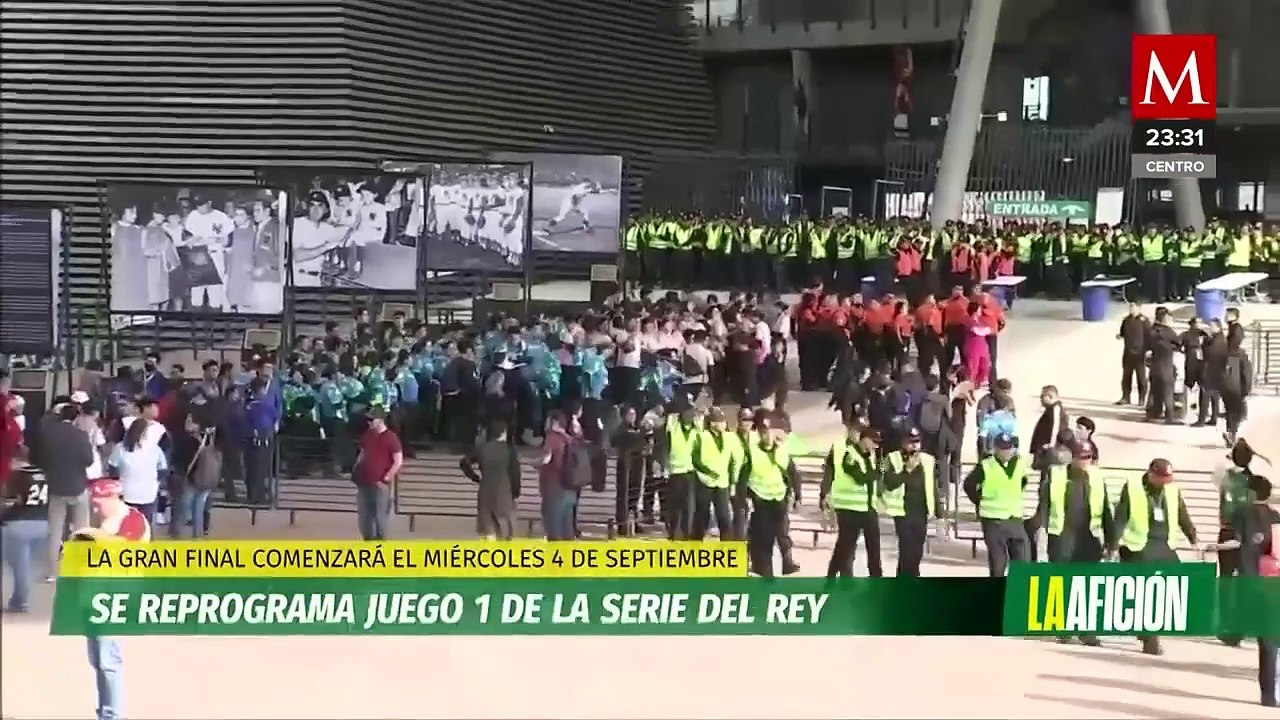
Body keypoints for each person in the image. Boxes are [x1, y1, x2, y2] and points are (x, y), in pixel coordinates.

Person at [72, 478, 150, 720]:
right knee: (97, 659)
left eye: (99, 504)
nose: (95, 509)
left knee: (108, 660)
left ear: (113, 498)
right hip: (93, 594)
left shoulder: (133, 519)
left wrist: (91, 536)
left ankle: (112, 715)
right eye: (93, 504)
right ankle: (105, 712)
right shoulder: (102, 522)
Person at [1110, 458, 1200, 655]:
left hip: (1164, 545)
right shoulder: (1133, 488)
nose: (1166, 482)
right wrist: (1113, 544)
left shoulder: (1172, 491)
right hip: (1139, 546)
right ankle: (1150, 638)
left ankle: (1145, 627)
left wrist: (1192, 536)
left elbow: (1182, 514)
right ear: (1151, 474)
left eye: (1168, 479)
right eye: (1162, 478)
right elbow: (1121, 516)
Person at [1036, 442, 1114, 646]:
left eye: (1088, 457)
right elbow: (1044, 504)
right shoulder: (1057, 475)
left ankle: (1087, 631)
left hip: (1089, 539)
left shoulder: (1097, 478)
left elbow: (1106, 510)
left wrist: (1112, 541)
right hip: (1063, 538)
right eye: (1081, 456)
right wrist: (1040, 530)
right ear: (1073, 456)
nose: (1085, 461)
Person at [1232, 473, 1278, 707]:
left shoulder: (1241, 514)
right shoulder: (1276, 518)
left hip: (1254, 582)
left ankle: (1268, 694)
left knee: (1267, 642)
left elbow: (1236, 542)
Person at [736, 414, 800, 577]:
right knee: (764, 537)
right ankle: (766, 572)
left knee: (782, 533)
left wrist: (797, 494)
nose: (767, 435)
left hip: (779, 499)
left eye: (769, 431)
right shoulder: (752, 452)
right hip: (761, 500)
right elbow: (743, 477)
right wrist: (741, 500)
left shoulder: (781, 450)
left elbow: (793, 473)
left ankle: (786, 563)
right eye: (763, 432)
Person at [39, 401, 96, 580]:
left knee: (55, 532)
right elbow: (89, 460)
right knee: (82, 530)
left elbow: (41, 459)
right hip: (78, 487)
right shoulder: (81, 435)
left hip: (56, 488)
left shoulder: (49, 435)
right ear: (75, 418)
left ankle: (53, 573)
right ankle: (80, 570)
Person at [962, 433, 1031, 577]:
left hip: (1014, 518)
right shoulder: (986, 465)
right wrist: (980, 501)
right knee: (998, 563)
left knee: (1022, 560)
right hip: (993, 521)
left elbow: (1023, 481)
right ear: (995, 449)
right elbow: (969, 485)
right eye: (1002, 449)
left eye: (1009, 449)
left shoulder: (1020, 463)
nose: (1006, 452)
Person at [821, 425, 883, 578]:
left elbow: (877, 476)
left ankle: (877, 580)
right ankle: (831, 578)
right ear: (864, 439)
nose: (876, 446)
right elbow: (860, 478)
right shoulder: (849, 455)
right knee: (844, 548)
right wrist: (875, 473)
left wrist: (875, 473)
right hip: (849, 510)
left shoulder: (872, 455)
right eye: (874, 442)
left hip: (868, 508)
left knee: (874, 548)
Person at [882, 427, 935, 577]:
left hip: (921, 512)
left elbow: (931, 486)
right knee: (906, 549)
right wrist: (906, 470)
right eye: (910, 442)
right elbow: (889, 483)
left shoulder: (927, 460)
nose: (914, 446)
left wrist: (939, 511)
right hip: (902, 511)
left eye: (917, 442)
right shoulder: (893, 458)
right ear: (903, 443)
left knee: (917, 551)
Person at [1, 461, 49, 612]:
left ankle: (20, 600)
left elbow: (12, 500)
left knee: (19, 566)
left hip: (18, 524)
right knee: (29, 565)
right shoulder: (46, 474)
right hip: (43, 523)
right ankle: (21, 599)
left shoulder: (16, 475)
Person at [460, 423, 521, 540]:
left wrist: (474, 477)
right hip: (503, 493)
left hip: (485, 492)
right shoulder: (509, 450)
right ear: (503, 433)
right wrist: (515, 492)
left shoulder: (482, 448)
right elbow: (515, 473)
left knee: (488, 530)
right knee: (504, 529)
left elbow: (464, 462)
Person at [352, 406, 401, 541]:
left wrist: (386, 478)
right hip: (364, 481)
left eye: (371, 419)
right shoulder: (367, 435)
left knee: (380, 516)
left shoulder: (391, 437)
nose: (369, 422)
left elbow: (398, 461)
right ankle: (369, 540)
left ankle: (380, 541)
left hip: (380, 483)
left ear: (380, 420)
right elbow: (362, 454)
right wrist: (355, 471)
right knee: (364, 516)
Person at [107, 417, 168, 524]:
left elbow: (113, 469)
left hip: (126, 493)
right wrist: (155, 481)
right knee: (146, 525)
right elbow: (163, 469)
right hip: (148, 493)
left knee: (126, 524)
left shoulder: (120, 448)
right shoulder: (155, 449)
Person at [689, 407, 736, 540]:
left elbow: (732, 460)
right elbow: (695, 459)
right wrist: (707, 472)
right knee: (702, 515)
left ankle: (728, 545)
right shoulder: (702, 437)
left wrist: (732, 481)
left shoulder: (729, 438)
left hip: (722, 482)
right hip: (704, 481)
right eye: (718, 421)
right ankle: (696, 543)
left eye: (723, 421)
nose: (721, 424)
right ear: (711, 423)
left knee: (724, 516)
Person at [659, 404, 701, 540]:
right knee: (675, 507)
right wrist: (664, 467)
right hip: (675, 472)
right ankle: (674, 533)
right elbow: (665, 446)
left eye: (692, 413)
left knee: (689, 507)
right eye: (687, 412)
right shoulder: (673, 427)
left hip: (690, 472)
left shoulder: (697, 429)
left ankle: (686, 533)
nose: (690, 415)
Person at [1115, 303, 1149, 405]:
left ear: (1139, 308)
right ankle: (1125, 397)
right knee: (1126, 376)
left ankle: (1141, 398)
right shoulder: (1126, 320)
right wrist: (1119, 336)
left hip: (1140, 353)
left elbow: (1148, 335)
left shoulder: (1144, 321)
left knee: (1141, 377)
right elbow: (1122, 333)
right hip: (1128, 352)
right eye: (1130, 307)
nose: (1131, 309)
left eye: (1133, 307)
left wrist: (1148, 349)